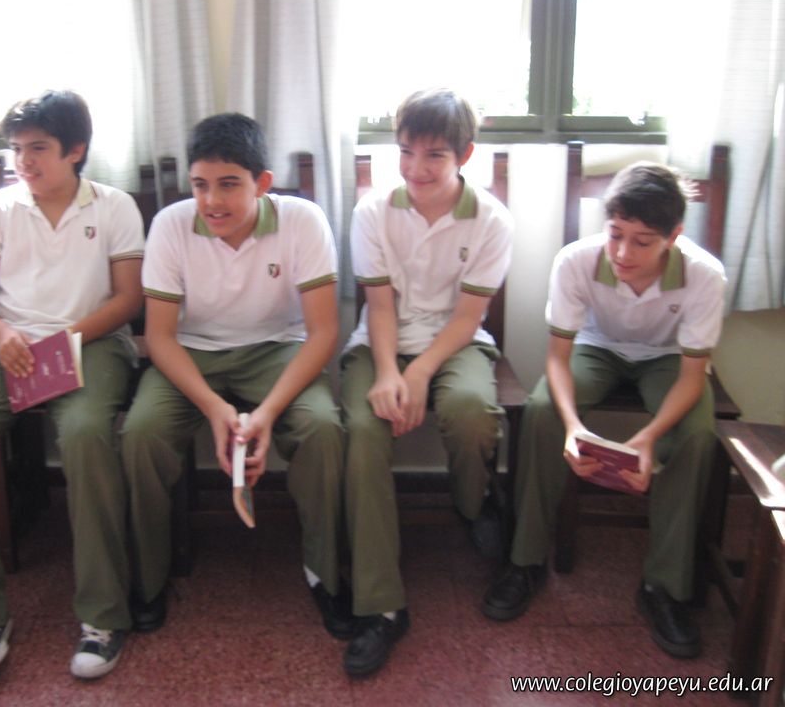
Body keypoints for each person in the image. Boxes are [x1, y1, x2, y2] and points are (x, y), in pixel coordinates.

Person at [0, 89, 144, 683]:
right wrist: (1, 335)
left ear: (75, 150)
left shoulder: (114, 206)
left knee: (87, 434)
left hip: (92, 343)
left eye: (38, 148)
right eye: (17, 149)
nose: (24, 161)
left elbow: (128, 299)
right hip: (9, 346)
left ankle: (103, 615)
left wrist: (65, 340)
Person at [120, 112, 351, 644]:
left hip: (277, 350)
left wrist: (266, 414)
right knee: (141, 433)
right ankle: (149, 578)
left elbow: (322, 333)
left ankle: (324, 572)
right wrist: (214, 408)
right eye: (200, 185)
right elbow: (160, 337)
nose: (212, 201)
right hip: (191, 354)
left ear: (261, 183)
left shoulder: (303, 220)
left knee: (321, 429)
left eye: (228, 185)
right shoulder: (171, 225)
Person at [481, 162, 726, 660]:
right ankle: (525, 562)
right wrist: (573, 428)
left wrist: (649, 437)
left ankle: (663, 587)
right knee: (542, 412)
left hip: (668, 359)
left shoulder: (704, 275)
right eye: (615, 234)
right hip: (598, 348)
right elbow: (558, 358)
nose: (622, 253)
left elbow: (693, 375)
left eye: (642, 242)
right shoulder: (576, 261)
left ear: (673, 236)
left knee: (697, 436)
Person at [340, 87, 514, 677]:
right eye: (406, 152)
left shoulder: (491, 220)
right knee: (363, 431)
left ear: (464, 154)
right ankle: (381, 605)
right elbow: (379, 305)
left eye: (434, 155)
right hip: (380, 342)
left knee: (470, 412)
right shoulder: (372, 212)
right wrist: (391, 372)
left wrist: (419, 372)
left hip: (455, 342)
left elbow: (468, 318)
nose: (416, 168)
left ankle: (474, 503)